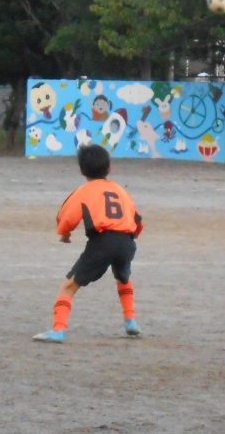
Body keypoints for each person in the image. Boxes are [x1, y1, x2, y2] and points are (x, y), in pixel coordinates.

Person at [33, 144, 144, 343]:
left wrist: (65, 234)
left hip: (103, 242)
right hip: (127, 241)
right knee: (124, 277)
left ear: (81, 170)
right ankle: (131, 321)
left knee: (69, 286)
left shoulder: (83, 191)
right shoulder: (121, 191)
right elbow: (137, 220)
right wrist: (129, 238)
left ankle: (58, 330)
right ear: (109, 168)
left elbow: (66, 217)